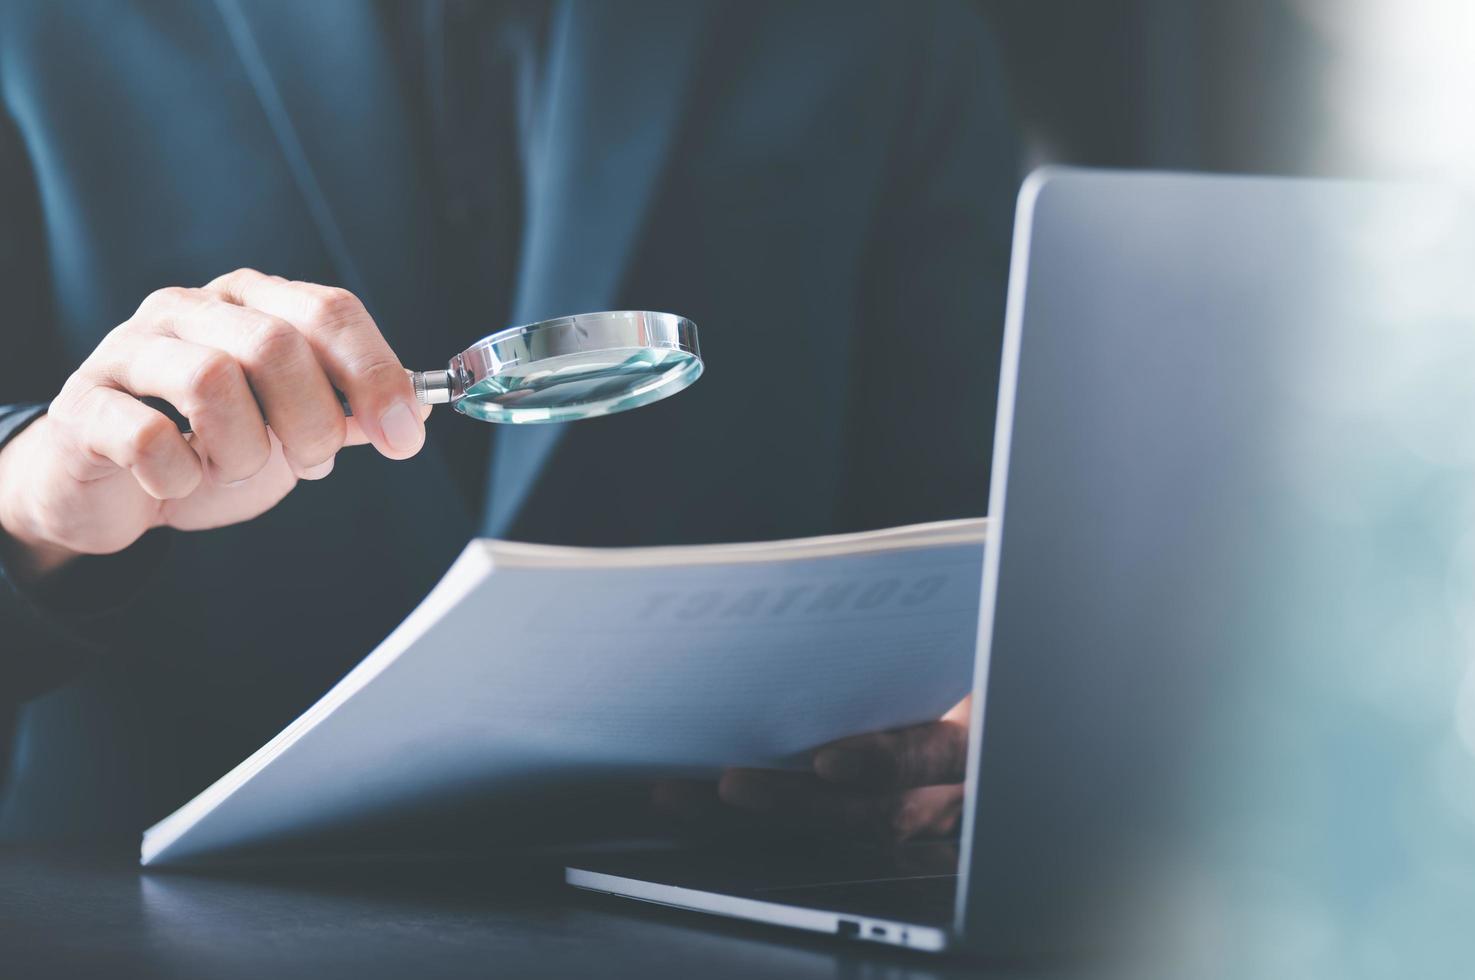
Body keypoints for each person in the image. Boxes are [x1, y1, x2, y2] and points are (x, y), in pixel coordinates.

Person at [0, 1, 1015, 845]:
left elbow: (987, 536)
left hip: (725, 893)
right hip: (139, 915)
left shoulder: (889, 27)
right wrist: (32, 505)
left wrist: (996, 723)